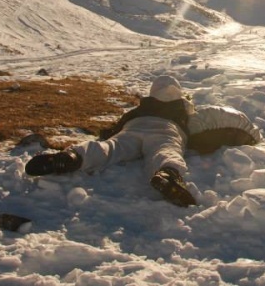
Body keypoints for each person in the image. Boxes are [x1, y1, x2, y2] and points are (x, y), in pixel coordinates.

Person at [24, 75, 197, 207]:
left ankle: (73, 157)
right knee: (165, 151)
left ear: (153, 91)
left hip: (133, 128)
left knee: (109, 147)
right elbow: (199, 129)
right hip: (166, 130)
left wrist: (108, 133)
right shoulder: (183, 108)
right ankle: (167, 173)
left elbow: (117, 128)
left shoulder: (141, 107)